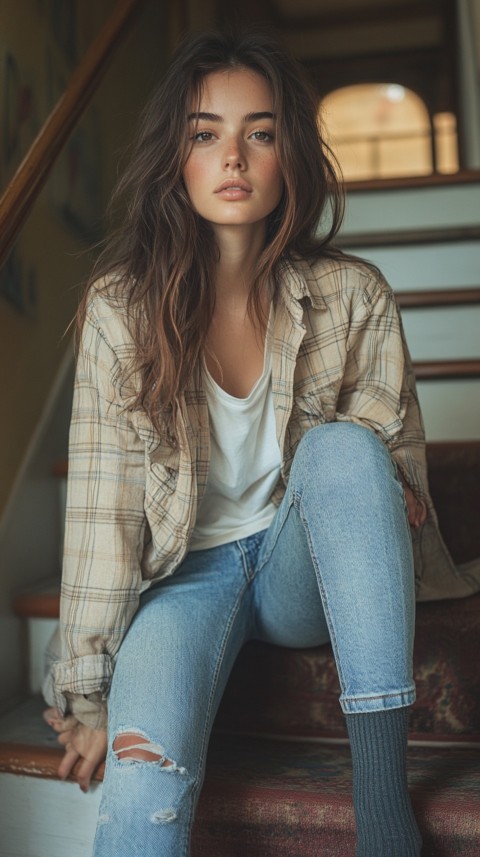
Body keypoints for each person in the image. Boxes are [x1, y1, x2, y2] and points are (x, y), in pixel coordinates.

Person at [43, 28, 480, 857]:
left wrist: (390, 486)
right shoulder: (119, 310)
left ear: (290, 158)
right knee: (140, 801)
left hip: (299, 568)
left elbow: (399, 476)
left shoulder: (355, 298)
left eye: (261, 133)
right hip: (182, 579)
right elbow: (102, 515)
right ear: (177, 157)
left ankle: (384, 815)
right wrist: (90, 697)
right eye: (206, 133)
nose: (233, 157)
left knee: (348, 451)